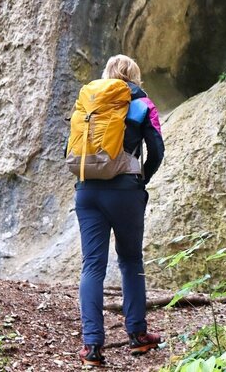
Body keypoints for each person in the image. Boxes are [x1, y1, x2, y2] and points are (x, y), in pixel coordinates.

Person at [75, 54, 164, 367]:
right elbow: (157, 150)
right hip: (125, 190)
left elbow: (71, 149)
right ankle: (138, 335)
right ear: (134, 76)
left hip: (87, 189)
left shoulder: (89, 102)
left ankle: (92, 347)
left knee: (92, 266)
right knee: (130, 260)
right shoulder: (142, 103)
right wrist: (140, 179)